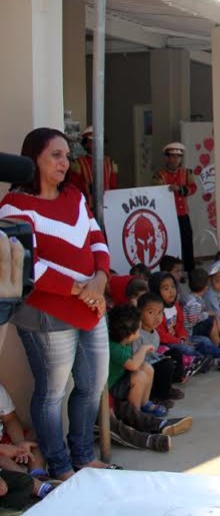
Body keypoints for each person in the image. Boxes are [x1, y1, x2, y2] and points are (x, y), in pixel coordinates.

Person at [0, 127, 116, 480]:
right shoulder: (13, 205)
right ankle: (61, 466)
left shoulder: (76, 196)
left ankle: (82, 456)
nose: (65, 162)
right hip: (45, 314)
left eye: (67, 155)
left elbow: (96, 238)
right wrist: (81, 288)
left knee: (92, 385)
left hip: (90, 306)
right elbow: (27, 262)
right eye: (56, 154)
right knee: (51, 393)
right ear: (33, 157)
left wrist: (100, 278)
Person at [107, 304, 167, 418]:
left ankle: (144, 403)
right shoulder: (114, 347)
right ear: (130, 334)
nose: (140, 332)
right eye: (138, 330)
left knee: (147, 368)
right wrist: (143, 349)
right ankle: (134, 414)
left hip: (120, 377)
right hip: (111, 388)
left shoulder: (124, 340)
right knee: (139, 376)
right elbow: (133, 365)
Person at [154, 143, 197, 271]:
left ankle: (189, 270)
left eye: (178, 157)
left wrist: (180, 189)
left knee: (187, 243)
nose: (175, 160)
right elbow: (157, 191)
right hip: (167, 216)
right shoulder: (159, 175)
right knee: (170, 244)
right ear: (167, 158)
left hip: (183, 213)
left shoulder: (187, 172)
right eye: (172, 156)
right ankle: (172, 272)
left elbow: (193, 188)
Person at [0, 383, 46, 479]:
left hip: (3, 439)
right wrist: (3, 449)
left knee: (35, 434)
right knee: (2, 459)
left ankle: (38, 475)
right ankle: (32, 484)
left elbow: (10, 419)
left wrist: (20, 443)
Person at [69, 126, 118, 208]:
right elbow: (75, 189)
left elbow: (113, 187)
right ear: (86, 144)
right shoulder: (78, 163)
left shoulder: (110, 162)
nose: (96, 144)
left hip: (107, 207)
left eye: (99, 141)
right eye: (92, 141)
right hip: (86, 207)